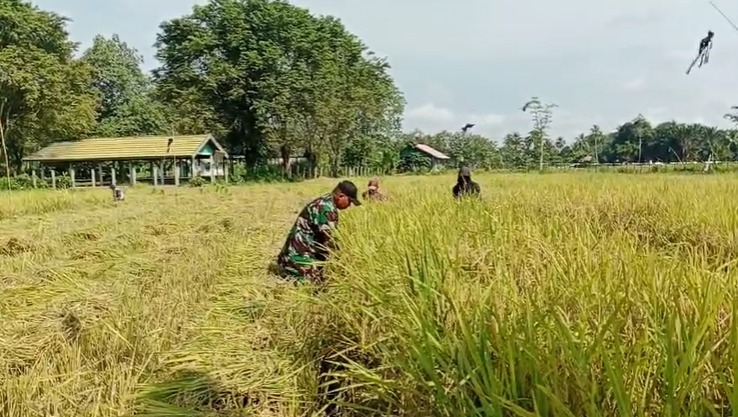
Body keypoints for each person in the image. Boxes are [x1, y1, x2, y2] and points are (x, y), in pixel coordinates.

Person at [276, 180, 361, 283]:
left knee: (324, 274)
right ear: (341, 196)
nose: (349, 205)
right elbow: (330, 241)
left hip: (306, 249)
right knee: (314, 283)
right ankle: (289, 271)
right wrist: (345, 261)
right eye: (350, 201)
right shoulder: (326, 208)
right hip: (297, 254)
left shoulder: (327, 201)